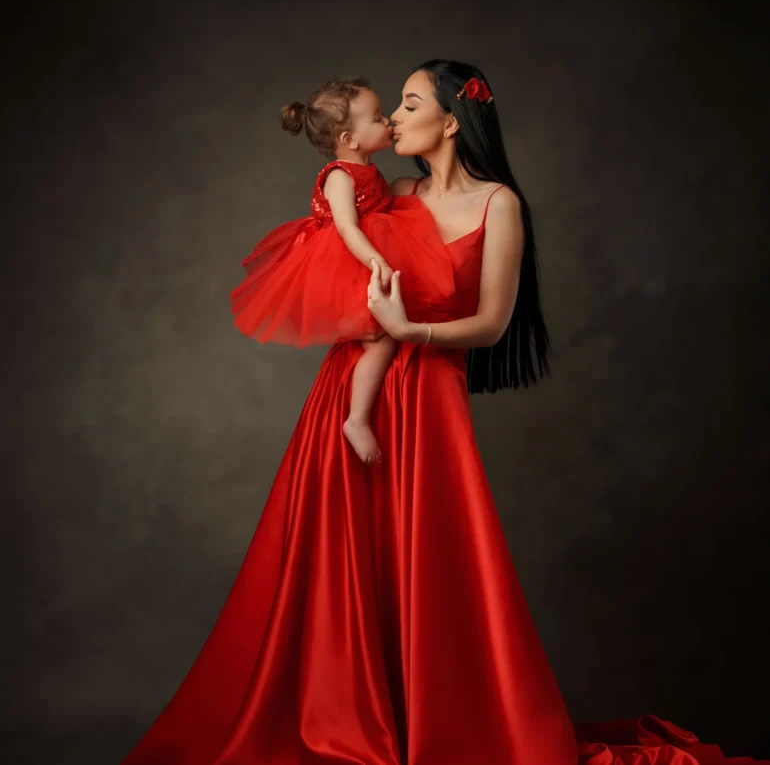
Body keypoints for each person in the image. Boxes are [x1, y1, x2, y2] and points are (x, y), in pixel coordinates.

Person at [121, 60, 764, 765]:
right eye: (390, 106)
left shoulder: (499, 206)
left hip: (428, 395)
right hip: (352, 393)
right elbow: (340, 254)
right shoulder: (393, 192)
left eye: (410, 102)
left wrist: (413, 333)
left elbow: (489, 324)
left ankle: (437, 722)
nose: (394, 117)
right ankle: (347, 718)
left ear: (452, 120)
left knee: (431, 561)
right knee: (341, 561)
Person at [230, 77, 456, 465]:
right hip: (348, 262)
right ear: (350, 139)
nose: (389, 122)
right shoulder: (340, 175)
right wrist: (377, 261)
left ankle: (362, 412)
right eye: (378, 118)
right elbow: (347, 228)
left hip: (368, 252)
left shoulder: (368, 170)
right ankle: (356, 419)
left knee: (389, 329)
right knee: (381, 338)